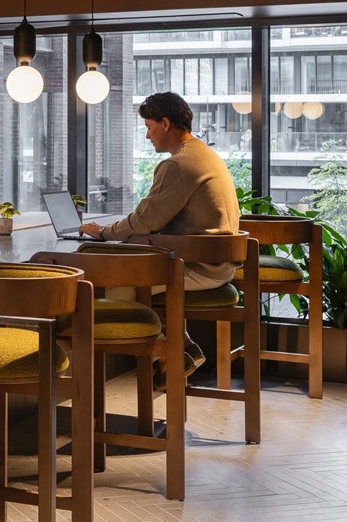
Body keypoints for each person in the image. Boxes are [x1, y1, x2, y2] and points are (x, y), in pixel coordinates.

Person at [78, 91, 240, 374]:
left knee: (110, 289)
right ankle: (182, 350)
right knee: (138, 272)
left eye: (149, 128)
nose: (147, 136)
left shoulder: (177, 165)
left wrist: (103, 232)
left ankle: (170, 357)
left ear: (165, 124)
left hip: (200, 269)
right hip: (219, 264)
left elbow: (143, 221)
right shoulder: (203, 154)